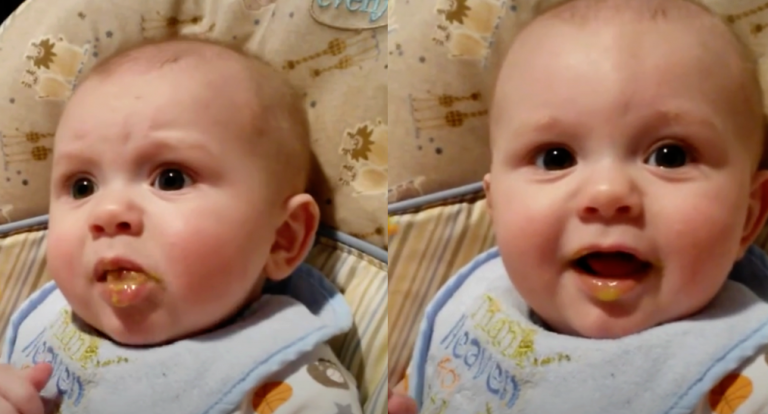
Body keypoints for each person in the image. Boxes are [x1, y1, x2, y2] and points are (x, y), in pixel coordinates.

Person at [390, 0, 768, 412]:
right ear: (494, 205)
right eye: (555, 158)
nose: (607, 194)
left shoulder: (746, 378)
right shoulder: (472, 313)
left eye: (669, 156)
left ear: (748, 218)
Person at [0, 38, 363, 414]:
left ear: (282, 239)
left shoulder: (293, 385)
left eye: (171, 179)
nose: (106, 212)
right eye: (82, 187)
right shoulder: (45, 329)